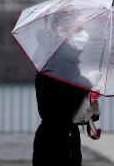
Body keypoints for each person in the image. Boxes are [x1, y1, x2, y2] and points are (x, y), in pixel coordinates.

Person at [32, 23, 100, 166]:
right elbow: (63, 103)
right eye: (79, 29)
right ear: (61, 30)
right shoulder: (58, 59)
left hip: (58, 138)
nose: (84, 34)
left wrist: (88, 88)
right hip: (57, 144)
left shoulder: (56, 56)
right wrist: (88, 82)